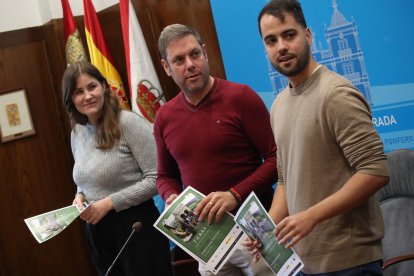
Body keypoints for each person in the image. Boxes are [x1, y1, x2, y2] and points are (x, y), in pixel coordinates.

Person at [248, 0, 390, 275]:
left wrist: (310, 217)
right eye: (271, 40)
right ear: (265, 49)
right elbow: (286, 179)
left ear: (309, 35)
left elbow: (375, 171)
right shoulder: (278, 105)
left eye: (289, 35)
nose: (281, 47)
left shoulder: (336, 94)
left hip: (350, 262)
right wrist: (268, 230)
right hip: (302, 261)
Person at [154, 23, 277, 276]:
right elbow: (165, 176)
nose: (190, 64)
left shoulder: (241, 97)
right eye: (178, 60)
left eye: (194, 54)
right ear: (166, 67)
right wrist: (171, 196)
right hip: (208, 240)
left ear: (205, 52)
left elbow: (277, 160)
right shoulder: (164, 117)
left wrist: (234, 194)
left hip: (256, 232)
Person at [61, 61, 173, 276]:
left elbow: (156, 178)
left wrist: (109, 203)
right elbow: (83, 179)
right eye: (78, 92)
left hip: (135, 228)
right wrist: (79, 196)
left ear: (104, 86)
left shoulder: (129, 123)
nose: (87, 96)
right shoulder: (77, 132)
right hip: (98, 232)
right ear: (71, 99)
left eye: (92, 87)